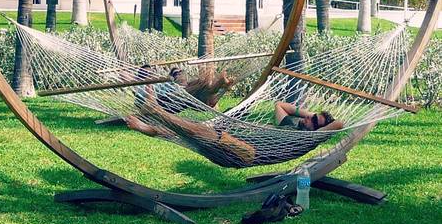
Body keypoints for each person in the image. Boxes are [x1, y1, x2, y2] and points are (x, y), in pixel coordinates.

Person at [126, 86, 344, 167]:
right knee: (189, 134)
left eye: (314, 122)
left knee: (197, 131)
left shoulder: (306, 139)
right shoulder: (289, 127)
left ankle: (155, 111)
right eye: (312, 117)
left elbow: (339, 124)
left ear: (317, 132)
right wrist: (310, 115)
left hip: (248, 152)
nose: (309, 120)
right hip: (235, 141)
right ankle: (147, 127)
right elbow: (281, 106)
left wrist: (319, 126)